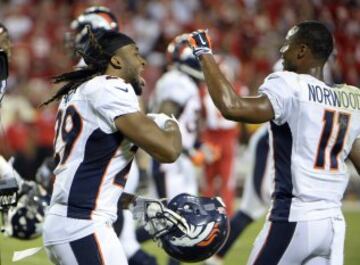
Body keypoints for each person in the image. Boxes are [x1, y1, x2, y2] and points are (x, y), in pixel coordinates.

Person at [188, 21, 360, 265]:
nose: (282, 51)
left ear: (301, 50)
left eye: (287, 44)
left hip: (293, 219)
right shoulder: (349, 98)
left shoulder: (290, 84)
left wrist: (204, 54)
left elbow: (232, 107)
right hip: (333, 224)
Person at [41, 28, 182, 265]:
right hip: (82, 225)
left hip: (73, 222)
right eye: (135, 53)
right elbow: (168, 150)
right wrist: (167, 120)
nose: (143, 61)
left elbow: (89, 171)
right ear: (116, 60)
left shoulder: (83, 91)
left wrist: (134, 202)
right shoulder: (110, 87)